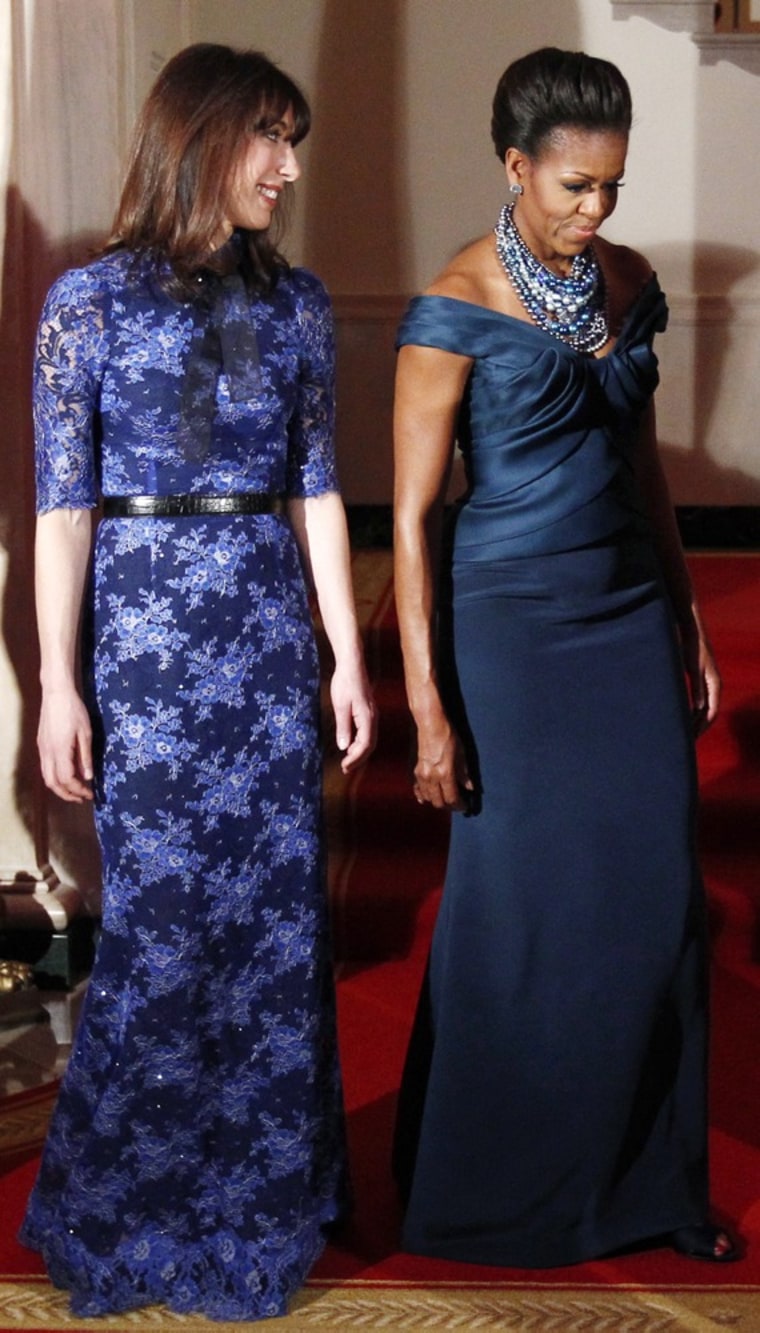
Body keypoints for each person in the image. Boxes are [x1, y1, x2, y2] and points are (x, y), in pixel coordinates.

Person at [20, 43, 376, 1321]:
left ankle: (261, 1197)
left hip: (265, 641)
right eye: (270, 138)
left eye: (296, 140)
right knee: (163, 941)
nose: (288, 166)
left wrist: (344, 651)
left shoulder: (298, 305)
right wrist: (59, 685)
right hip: (146, 651)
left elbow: (318, 489)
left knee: (273, 938)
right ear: (202, 138)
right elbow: (63, 515)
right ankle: (129, 1198)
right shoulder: (87, 306)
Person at [392, 47, 739, 1268]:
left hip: (626, 619)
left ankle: (646, 1185)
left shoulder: (627, 281)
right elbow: (413, 520)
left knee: (654, 905)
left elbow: (643, 465)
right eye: (574, 187)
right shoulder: (453, 306)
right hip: (511, 635)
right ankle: (489, 1190)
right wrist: (428, 708)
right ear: (514, 166)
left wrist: (687, 617)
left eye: (612, 188)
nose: (594, 212)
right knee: (520, 915)